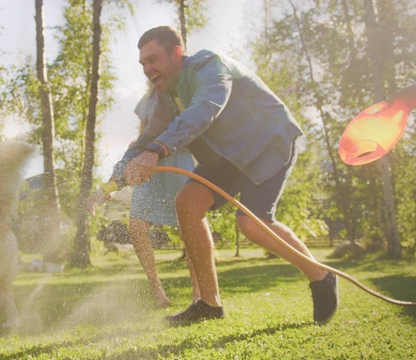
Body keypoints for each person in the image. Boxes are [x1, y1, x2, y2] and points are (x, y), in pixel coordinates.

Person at [120, 25, 338, 325]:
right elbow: (147, 138)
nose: (147, 69)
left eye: (153, 59)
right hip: (224, 157)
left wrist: (157, 151)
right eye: (143, 63)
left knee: (251, 223)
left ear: (177, 53)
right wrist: (118, 176)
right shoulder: (165, 97)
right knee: (187, 204)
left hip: (266, 141)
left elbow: (205, 110)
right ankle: (209, 304)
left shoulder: (210, 66)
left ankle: (320, 276)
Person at [88, 85, 198, 307]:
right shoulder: (147, 101)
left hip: (181, 162)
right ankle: (157, 291)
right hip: (149, 166)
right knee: (137, 225)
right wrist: (108, 190)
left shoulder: (187, 93)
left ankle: (200, 293)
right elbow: (140, 141)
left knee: (191, 230)